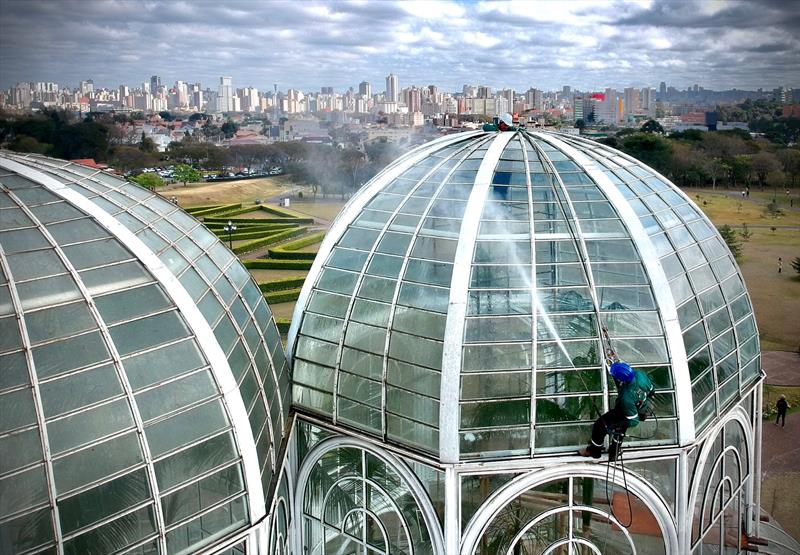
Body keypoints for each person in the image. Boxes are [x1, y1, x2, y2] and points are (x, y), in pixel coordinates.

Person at [578, 361, 654, 461]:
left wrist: (620, 424)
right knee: (620, 432)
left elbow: (634, 420)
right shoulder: (640, 375)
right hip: (641, 407)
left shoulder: (626, 397)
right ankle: (614, 453)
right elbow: (652, 390)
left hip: (630, 413)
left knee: (600, 426)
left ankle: (594, 451)